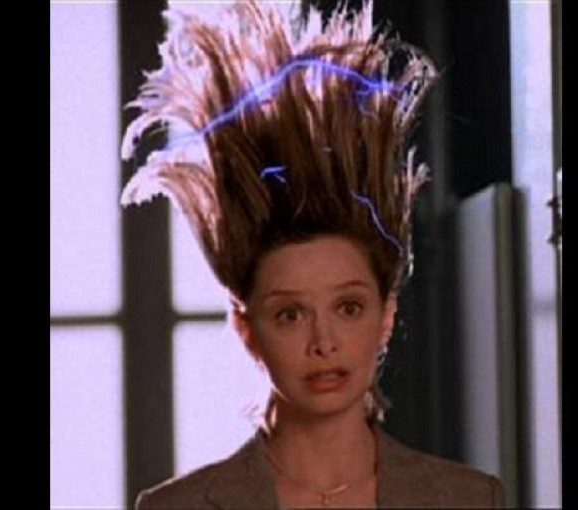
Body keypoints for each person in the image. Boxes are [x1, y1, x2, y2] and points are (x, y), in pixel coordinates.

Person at [121, 1, 505, 507]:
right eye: (290, 314)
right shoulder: (178, 507)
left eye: (349, 307)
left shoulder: (468, 499)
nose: (323, 343)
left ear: (386, 316)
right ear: (246, 329)